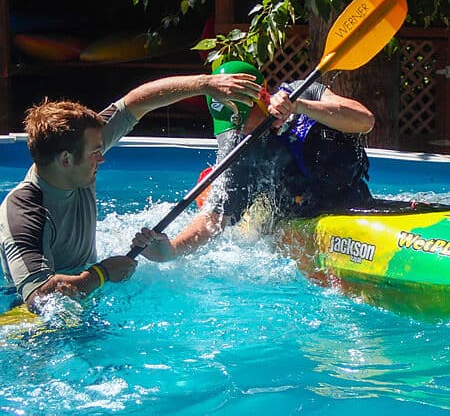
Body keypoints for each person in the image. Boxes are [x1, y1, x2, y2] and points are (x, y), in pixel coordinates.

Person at [0, 71, 262, 312]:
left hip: (87, 296)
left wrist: (204, 85)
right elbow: (39, 299)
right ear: (66, 160)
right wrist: (101, 274)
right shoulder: (24, 213)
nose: (101, 159)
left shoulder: (76, 161)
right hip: (36, 325)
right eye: (95, 153)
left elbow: (135, 103)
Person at [131, 60, 375, 261]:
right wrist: (170, 250)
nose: (239, 129)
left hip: (354, 202)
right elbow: (213, 220)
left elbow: (365, 121)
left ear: (262, 99)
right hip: (300, 221)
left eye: (242, 117)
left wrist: (299, 107)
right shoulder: (238, 149)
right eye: (232, 122)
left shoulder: (302, 92)